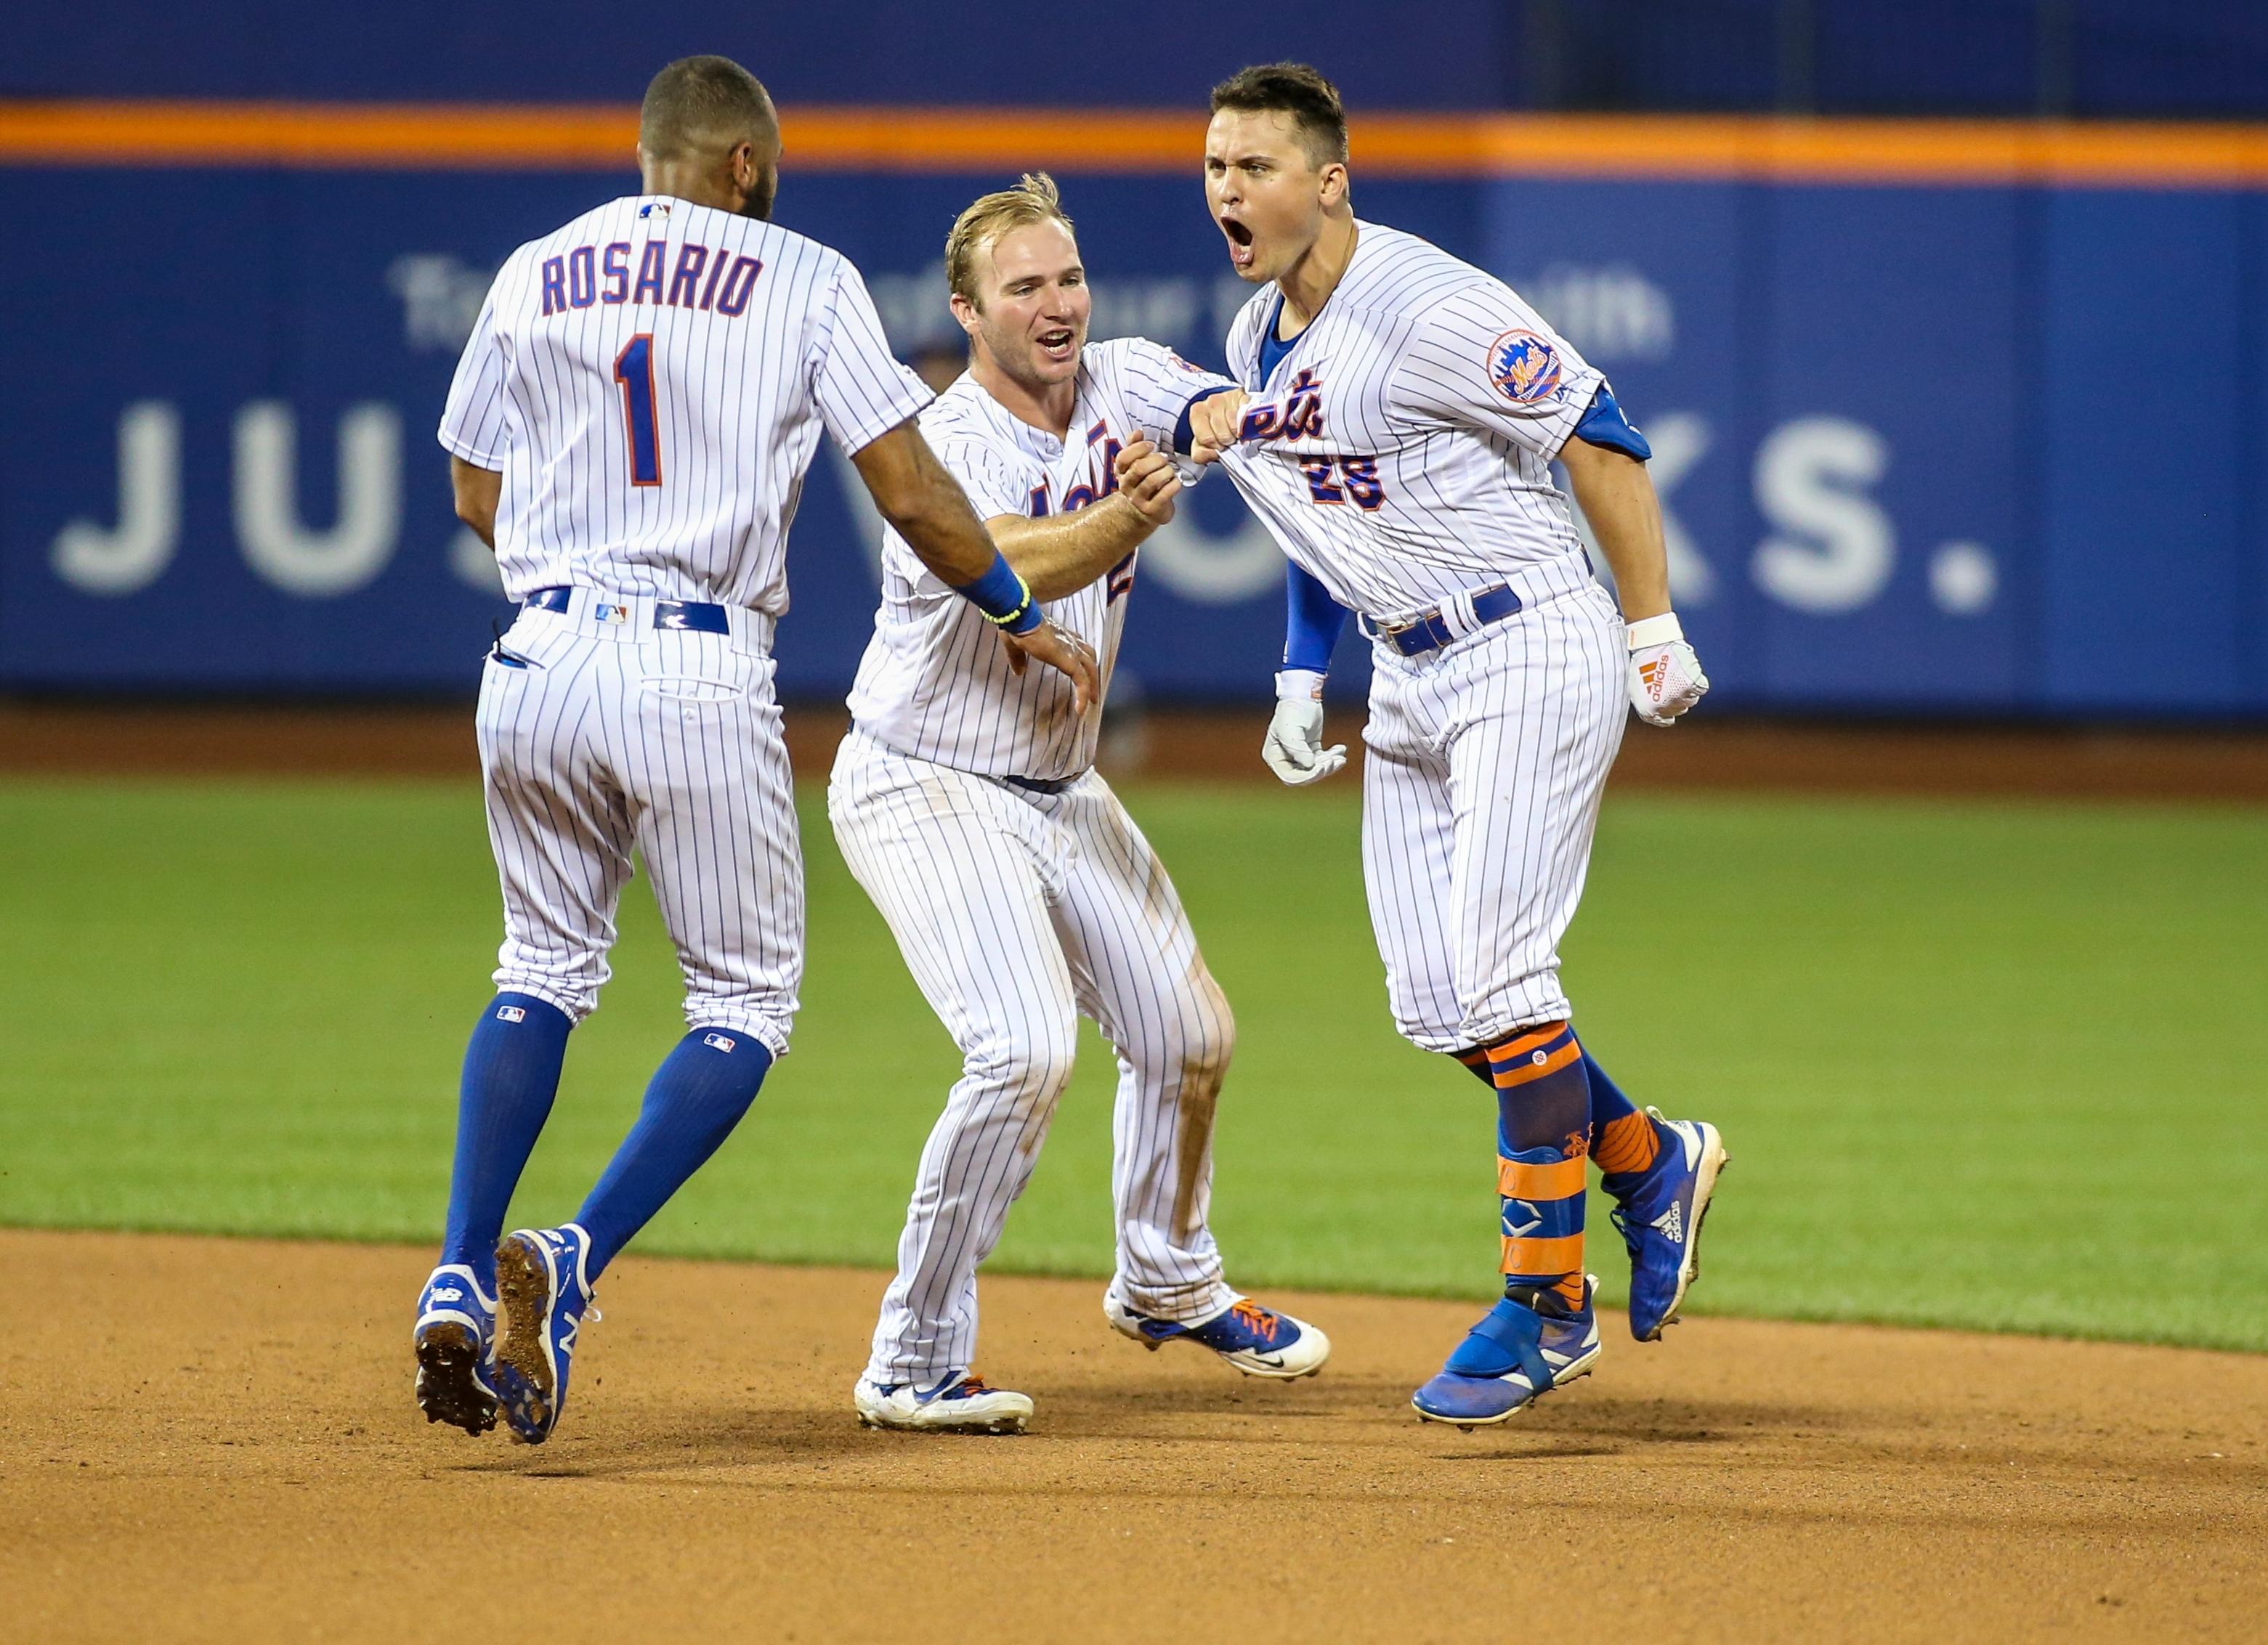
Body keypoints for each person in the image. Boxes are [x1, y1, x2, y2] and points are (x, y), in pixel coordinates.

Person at [413, 57, 1098, 1446]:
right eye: (766, 162)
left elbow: (474, 484)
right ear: (739, 163)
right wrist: (1020, 609)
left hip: (536, 653)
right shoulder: (801, 273)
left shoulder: (537, 266)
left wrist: (569, 574)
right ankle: (575, 1258)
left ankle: (453, 1266)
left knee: (540, 968)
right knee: (742, 1000)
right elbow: (910, 490)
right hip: (694, 660)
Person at [1185, 63, 1728, 1429]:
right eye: (1216, 166)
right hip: (1408, 678)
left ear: (1331, 179)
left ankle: (1545, 1307)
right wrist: (1304, 670)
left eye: (1257, 166)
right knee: (1435, 998)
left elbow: (1597, 432)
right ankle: (1648, 1157)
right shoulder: (1256, 338)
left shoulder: (1429, 306)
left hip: (1529, 641)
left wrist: (1651, 623)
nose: (1231, 191)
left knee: (1498, 970)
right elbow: (1318, 510)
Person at [833, 174, 1329, 1434]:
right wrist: (1121, 515)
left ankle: (1167, 1279)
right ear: (968, 309)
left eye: (1067, 278)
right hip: (925, 779)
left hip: (1060, 786)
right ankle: (911, 1355)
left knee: (1189, 1033)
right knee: (1022, 1048)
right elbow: (996, 554)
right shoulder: (935, 441)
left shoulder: (1118, 372)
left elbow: (1210, 402)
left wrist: (1222, 419)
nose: (1054, 306)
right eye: (1023, 288)